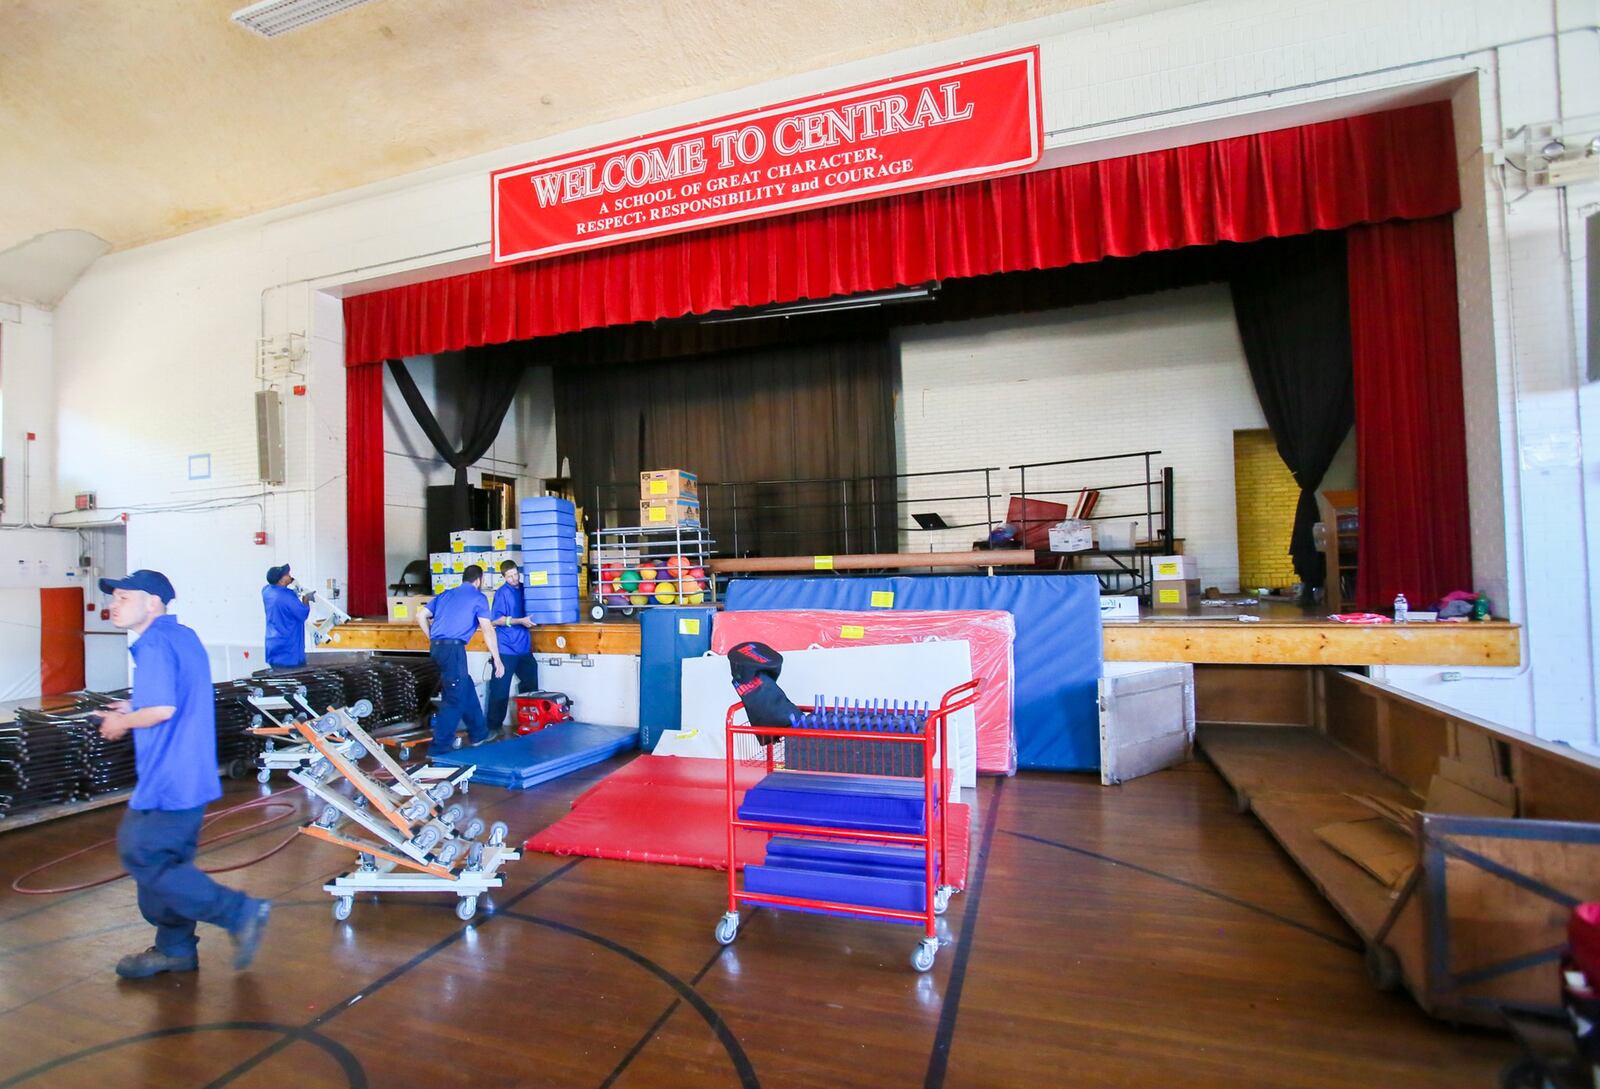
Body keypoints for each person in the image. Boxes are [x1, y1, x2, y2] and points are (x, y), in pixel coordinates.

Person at [96, 570, 272, 979]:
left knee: (144, 854)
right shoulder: (182, 636)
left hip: (169, 778)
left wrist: (122, 723)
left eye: (123, 597)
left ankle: (241, 912)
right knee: (164, 865)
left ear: (152, 602)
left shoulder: (155, 643)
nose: (113, 605)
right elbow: (173, 695)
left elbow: (162, 710)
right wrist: (131, 706)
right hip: (188, 773)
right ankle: (174, 949)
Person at [416, 564, 504, 757]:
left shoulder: (446, 594)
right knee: (454, 699)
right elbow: (488, 629)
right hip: (453, 650)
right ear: (479, 580)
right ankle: (438, 749)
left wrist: (431, 636)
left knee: (465, 685)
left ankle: (479, 733)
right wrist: (497, 659)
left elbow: (421, 615)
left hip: (437, 648)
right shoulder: (479, 597)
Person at [485, 559, 539, 736]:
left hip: (524, 646)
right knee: (500, 689)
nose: (514, 579)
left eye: (516, 574)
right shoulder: (501, 593)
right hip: (506, 648)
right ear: (503, 577)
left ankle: (529, 722)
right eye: (509, 576)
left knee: (531, 685)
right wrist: (519, 621)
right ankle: (493, 728)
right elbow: (496, 620)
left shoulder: (525, 588)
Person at [261, 563, 311, 669]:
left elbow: (273, 588)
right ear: (281, 580)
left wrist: (291, 584)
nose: (290, 575)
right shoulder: (287, 597)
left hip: (273, 646)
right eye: (287, 574)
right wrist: (305, 600)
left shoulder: (266, 591)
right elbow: (303, 614)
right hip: (289, 652)